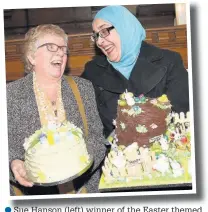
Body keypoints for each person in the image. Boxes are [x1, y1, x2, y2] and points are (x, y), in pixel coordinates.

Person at [7, 24, 106, 195]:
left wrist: (82, 165)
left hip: (84, 190)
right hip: (34, 196)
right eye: (51, 47)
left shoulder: (83, 88)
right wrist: (13, 163)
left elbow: (97, 137)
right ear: (31, 56)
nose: (60, 53)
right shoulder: (10, 95)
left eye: (63, 49)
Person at [81, 5, 190, 138]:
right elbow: (89, 126)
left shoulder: (169, 62)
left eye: (103, 31)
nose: (99, 41)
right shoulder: (93, 71)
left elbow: (183, 118)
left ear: (125, 27)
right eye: (96, 35)